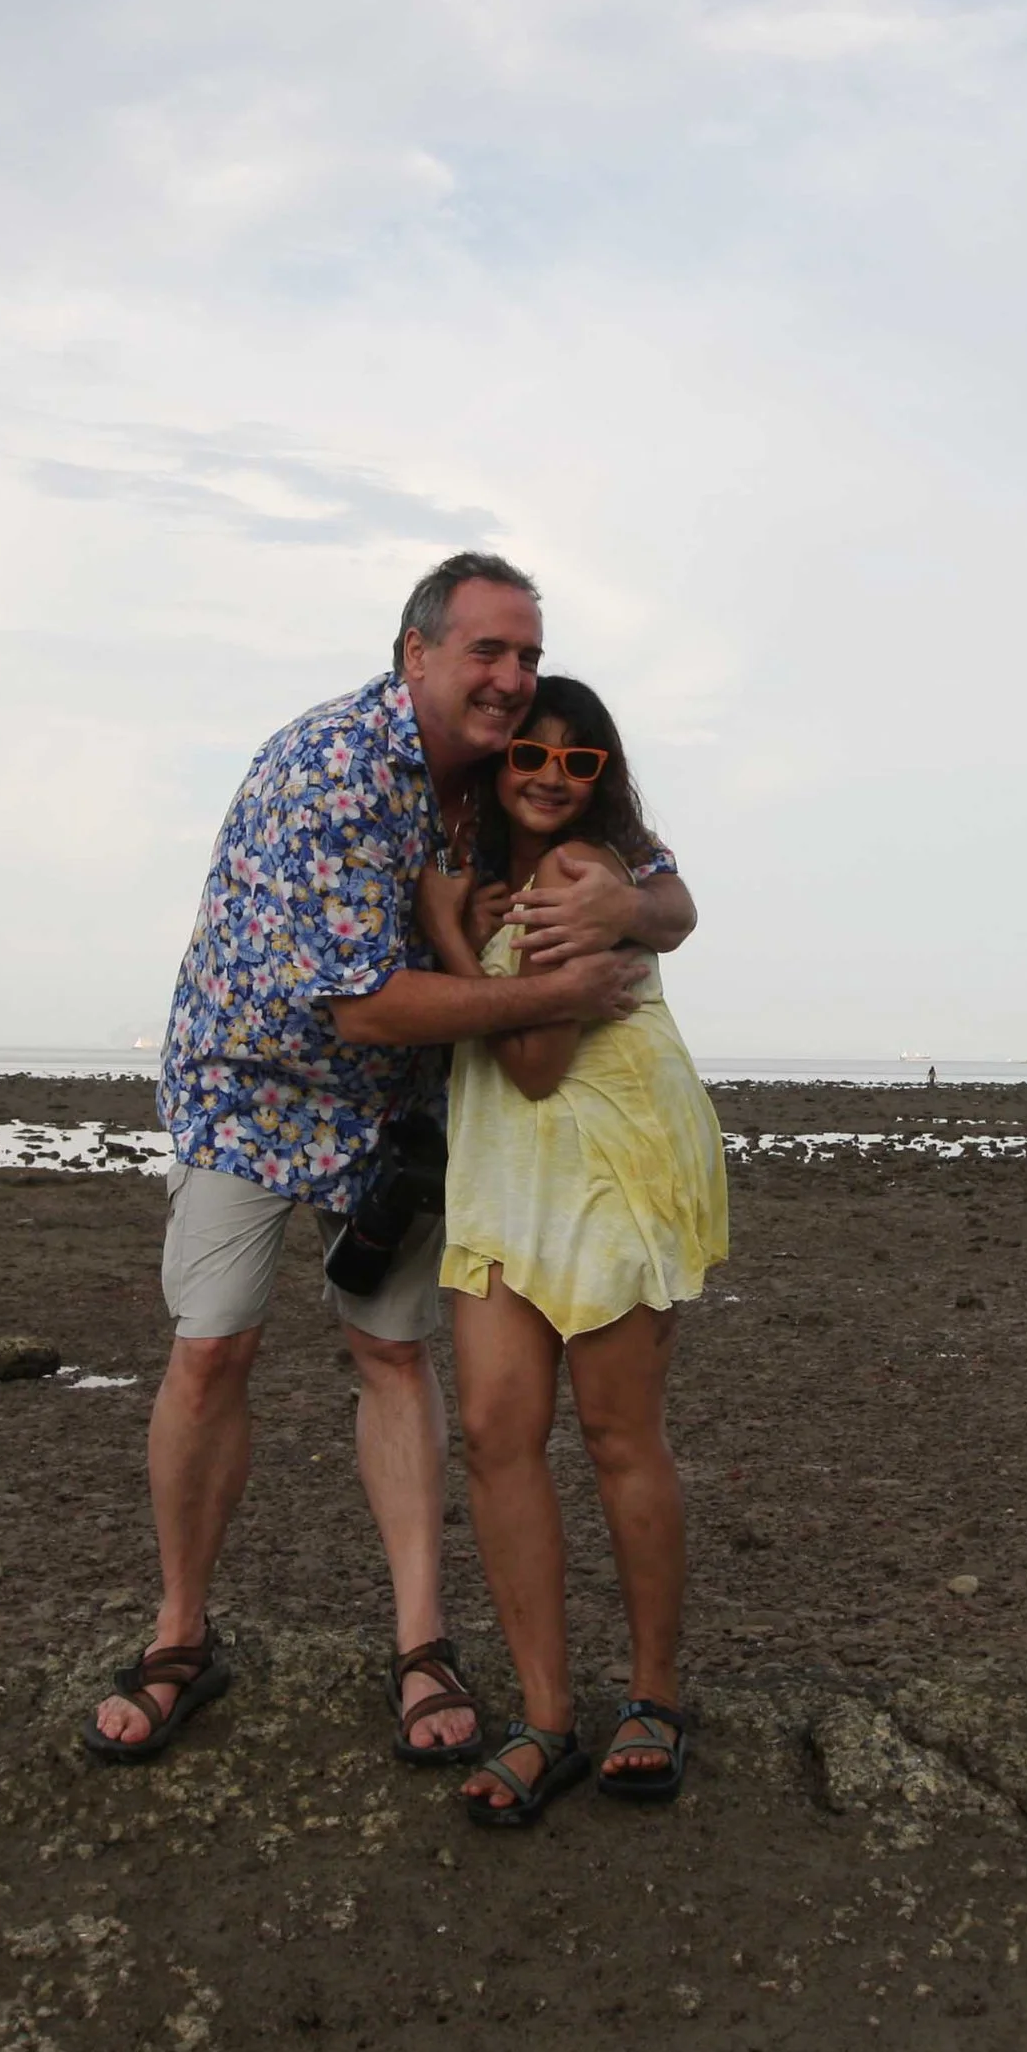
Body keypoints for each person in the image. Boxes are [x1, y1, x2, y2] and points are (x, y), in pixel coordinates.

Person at [83, 555, 694, 1765]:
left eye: (526, 654)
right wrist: (554, 986)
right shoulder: (333, 768)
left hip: (399, 1107)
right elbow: (357, 1006)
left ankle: (422, 1643)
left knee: (390, 1352)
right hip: (250, 1087)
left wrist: (631, 913)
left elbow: (654, 873)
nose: (513, 680)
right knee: (211, 1350)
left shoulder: (510, 768)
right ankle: (177, 1636)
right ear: (413, 653)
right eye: (487, 652)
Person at [413, 675, 727, 1827]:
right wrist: (474, 921)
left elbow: (538, 1060)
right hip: (506, 1166)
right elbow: (675, 904)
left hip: (608, 1158)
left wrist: (452, 934)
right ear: (496, 766)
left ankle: (653, 1696)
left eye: (576, 761)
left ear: (605, 776)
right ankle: (545, 1716)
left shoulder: (579, 873)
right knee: (499, 1432)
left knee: (614, 1432)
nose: (548, 776)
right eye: (527, 757)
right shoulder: (500, 863)